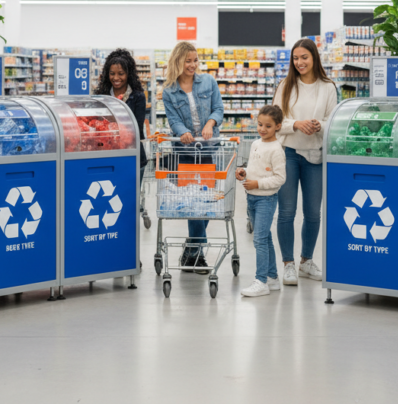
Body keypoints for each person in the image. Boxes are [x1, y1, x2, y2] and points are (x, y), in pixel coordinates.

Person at [273, 38, 337, 286]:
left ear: (314, 58)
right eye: (295, 58)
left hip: (316, 155)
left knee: (313, 213)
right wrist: (296, 124)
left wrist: (320, 125)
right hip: (288, 153)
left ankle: (306, 261)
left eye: (304, 57)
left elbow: (333, 119)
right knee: (287, 212)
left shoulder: (328, 87)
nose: (299, 62)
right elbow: (275, 121)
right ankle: (288, 264)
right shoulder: (286, 86)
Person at [161, 41, 224, 272]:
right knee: (193, 202)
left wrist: (210, 123)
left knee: (205, 202)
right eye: (188, 60)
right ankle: (197, 253)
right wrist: (182, 132)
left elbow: (219, 108)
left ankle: (192, 247)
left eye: (195, 60)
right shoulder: (168, 90)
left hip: (209, 150)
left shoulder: (208, 81)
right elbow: (173, 119)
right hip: (185, 152)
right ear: (177, 61)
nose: (193, 65)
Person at [238, 105, 287, 297]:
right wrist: (244, 173)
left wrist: (257, 183)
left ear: (278, 126)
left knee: (258, 240)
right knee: (265, 238)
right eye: (260, 124)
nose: (262, 129)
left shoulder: (276, 150)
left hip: (266, 200)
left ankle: (261, 281)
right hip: (252, 198)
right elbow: (255, 167)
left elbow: (280, 178)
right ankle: (272, 277)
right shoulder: (256, 144)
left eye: (268, 126)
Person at [94, 48, 148, 201]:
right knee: (107, 198)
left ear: (128, 74)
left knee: (130, 200)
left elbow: (136, 130)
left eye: (121, 74)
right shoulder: (101, 95)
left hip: (133, 157)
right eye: (112, 73)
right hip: (106, 156)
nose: (116, 78)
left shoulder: (137, 96)